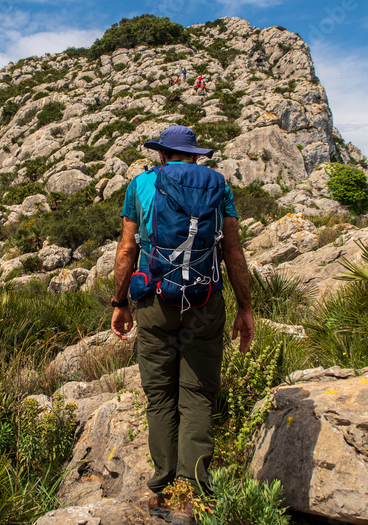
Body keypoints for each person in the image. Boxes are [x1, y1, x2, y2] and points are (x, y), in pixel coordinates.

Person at [110, 125, 254, 523]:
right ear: (194, 156)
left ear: (161, 154)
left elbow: (127, 249)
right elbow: (233, 250)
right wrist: (245, 307)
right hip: (206, 303)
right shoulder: (219, 185)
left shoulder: (141, 185)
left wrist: (120, 303)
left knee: (160, 397)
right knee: (198, 396)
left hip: (156, 302)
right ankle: (190, 497)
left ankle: (160, 489)